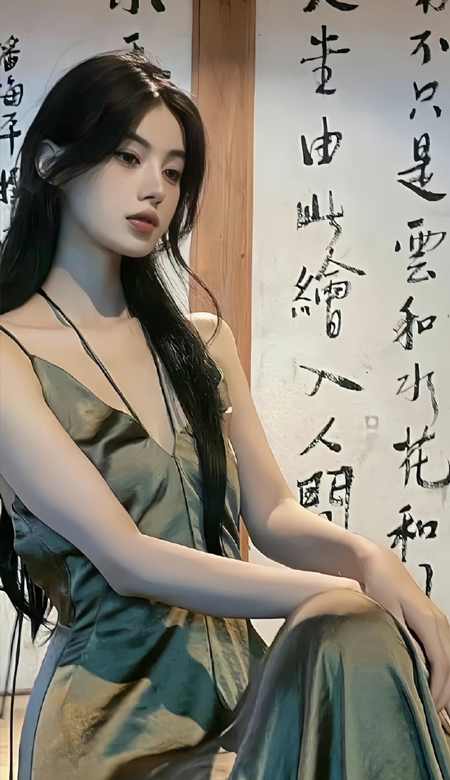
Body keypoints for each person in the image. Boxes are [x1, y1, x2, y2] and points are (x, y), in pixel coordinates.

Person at [0, 49, 449, 780]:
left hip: (244, 701)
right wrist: (340, 593)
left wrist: (373, 560)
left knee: (358, 644)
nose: (155, 188)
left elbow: (271, 517)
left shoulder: (203, 343)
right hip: (111, 731)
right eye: (127, 156)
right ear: (52, 163)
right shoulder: (7, 354)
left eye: (174, 171)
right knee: (351, 623)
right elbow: (127, 558)